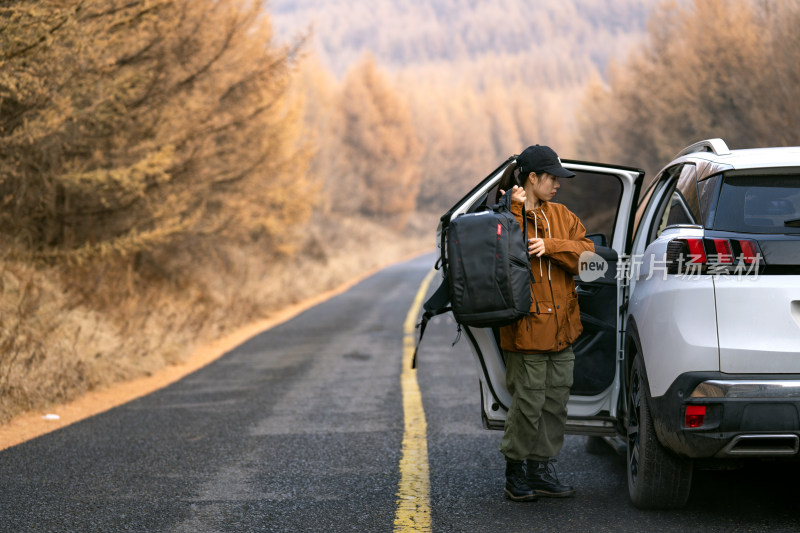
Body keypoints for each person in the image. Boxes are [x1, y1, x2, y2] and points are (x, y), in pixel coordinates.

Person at [496, 145, 594, 502]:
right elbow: (499, 256)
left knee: (555, 403)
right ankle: (514, 473)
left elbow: (589, 260)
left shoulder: (563, 215)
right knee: (528, 403)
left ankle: (539, 470)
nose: (557, 185)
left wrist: (551, 246)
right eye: (551, 178)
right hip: (526, 332)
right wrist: (516, 210)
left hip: (563, 332)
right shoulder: (507, 215)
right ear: (532, 178)